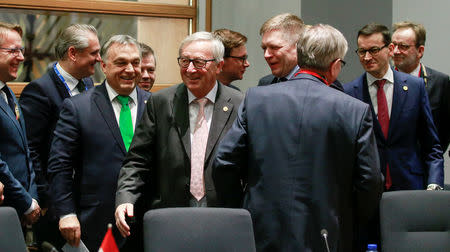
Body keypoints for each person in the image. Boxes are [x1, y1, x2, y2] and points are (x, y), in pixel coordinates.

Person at [213, 24, 383, 252]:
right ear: (334, 66)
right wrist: (347, 218)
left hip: (260, 230)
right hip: (327, 234)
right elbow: (369, 182)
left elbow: (224, 163)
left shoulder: (256, 99)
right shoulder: (355, 110)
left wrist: (244, 208)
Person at [115, 31, 243, 238]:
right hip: (171, 215)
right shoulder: (161, 102)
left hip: (224, 216)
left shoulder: (240, 104)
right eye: (185, 61)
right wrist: (125, 199)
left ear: (219, 66)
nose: (190, 69)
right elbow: (137, 160)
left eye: (199, 62)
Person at [344, 23, 444, 250]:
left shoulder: (416, 87)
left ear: (390, 49)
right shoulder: (349, 93)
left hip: (409, 189)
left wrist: (434, 185)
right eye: (361, 51)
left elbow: (432, 146)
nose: (367, 57)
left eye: (374, 50)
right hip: (367, 195)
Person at [47, 35, 150, 251]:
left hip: (146, 220)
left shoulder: (156, 105)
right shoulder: (78, 107)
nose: (130, 70)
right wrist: (66, 213)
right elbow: (60, 165)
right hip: (97, 222)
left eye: (135, 62)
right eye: (121, 62)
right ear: (103, 65)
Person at [19, 24, 100, 249]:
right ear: (73, 53)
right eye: (94, 53)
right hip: (54, 206)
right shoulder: (40, 91)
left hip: (86, 200)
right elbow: (31, 150)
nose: (99, 58)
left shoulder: (88, 84)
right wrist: (45, 199)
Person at [0, 21, 41, 225]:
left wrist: (32, 199)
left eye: (22, 50)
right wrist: (26, 202)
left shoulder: (8, 94)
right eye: (14, 50)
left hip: (18, 208)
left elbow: (25, 150)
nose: (22, 57)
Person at [391, 21, 450, 152]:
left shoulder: (440, 82)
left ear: (420, 51)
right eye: (393, 45)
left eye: (403, 47)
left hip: (425, 166)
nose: (395, 51)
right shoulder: (382, 80)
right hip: (389, 167)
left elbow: (445, 130)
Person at [258, 13, 303, 86]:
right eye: (264, 48)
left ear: (298, 47)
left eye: (274, 47)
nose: (266, 55)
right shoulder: (264, 84)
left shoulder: (317, 86)